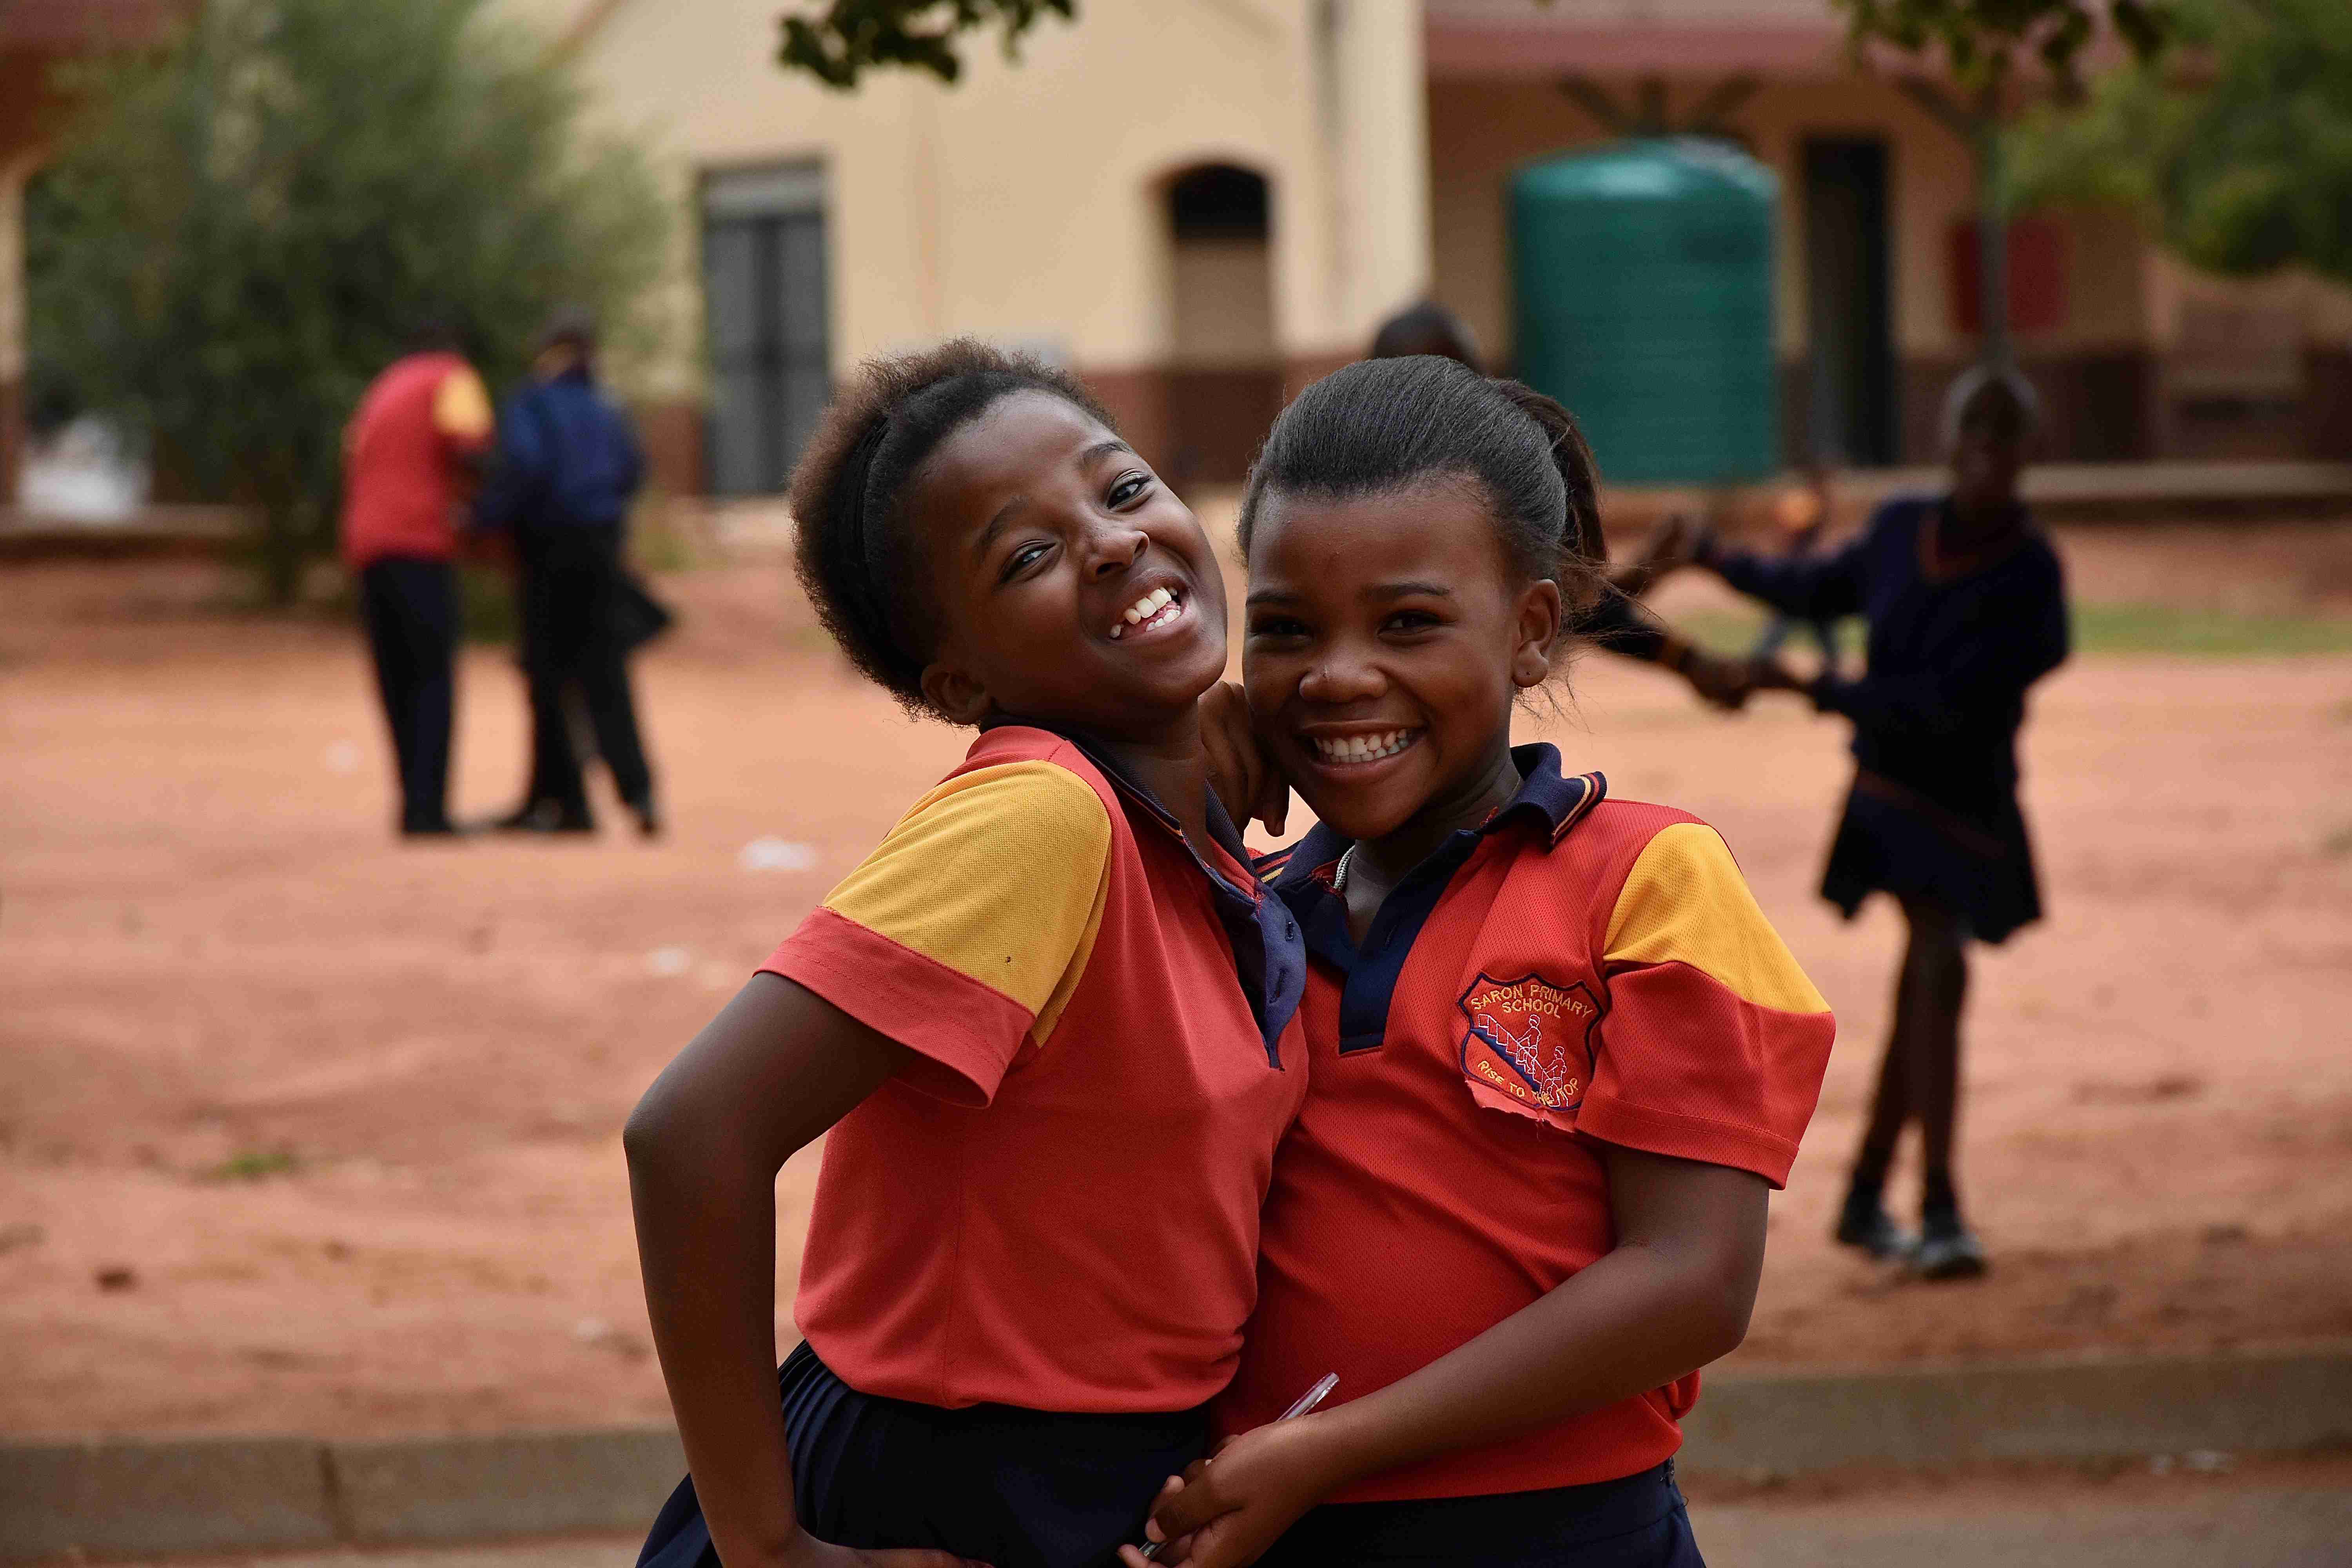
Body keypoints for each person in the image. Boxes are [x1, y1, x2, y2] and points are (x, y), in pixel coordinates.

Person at [1129, 356, 1835, 1568]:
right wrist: (1173, 801)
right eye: (1287, 629)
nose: (1337, 675)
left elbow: (1695, 1280)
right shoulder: (1245, 910)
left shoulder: (1644, 881)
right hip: (1274, 1532)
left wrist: (1333, 1449)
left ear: (1531, 633)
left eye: (1407, 623)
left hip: (1567, 1538)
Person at [624, 341, 1309, 1568]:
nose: (1112, 543)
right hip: (947, 1482)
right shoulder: (1039, 817)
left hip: (1097, 1476)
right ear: (956, 680)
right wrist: (768, 1550)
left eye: (1121, 488)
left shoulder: (1170, 820)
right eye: (1027, 557)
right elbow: (689, 1135)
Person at [1684, 367, 2068, 1279]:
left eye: (2004, 438)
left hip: (1968, 801)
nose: (1987, 453)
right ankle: (1937, 1205)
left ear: (2028, 453)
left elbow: (1948, 710)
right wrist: (1710, 556)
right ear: (1950, 440)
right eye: (1975, 433)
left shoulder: (2031, 571)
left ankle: (1868, 1194)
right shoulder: (1902, 528)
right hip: (1893, 798)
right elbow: (1812, 587)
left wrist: (1808, 686)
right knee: (1938, 965)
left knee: (1926, 985)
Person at [1361, 306, 1750, 710]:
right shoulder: (1380, 491)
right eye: (1452, 379)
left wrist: (1681, 652)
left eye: (1471, 376)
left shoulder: (1482, 468)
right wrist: (1646, 594)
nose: (1477, 393)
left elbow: (1561, 597)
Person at [476, 309, 659, 837]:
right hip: (601, 548)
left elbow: (526, 466)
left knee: (548, 676)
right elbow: (632, 469)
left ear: (548, 351)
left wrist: (484, 517)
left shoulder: (533, 401)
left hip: (549, 547)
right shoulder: (607, 405)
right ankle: (640, 795)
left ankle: (565, 804)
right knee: (608, 675)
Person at [338, 323, 496, 838]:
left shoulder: (384, 387)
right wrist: (487, 514)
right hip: (419, 543)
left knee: (396, 678)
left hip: (368, 545)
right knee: (431, 676)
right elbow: (472, 448)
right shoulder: (453, 378)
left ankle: (411, 803)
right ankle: (430, 811)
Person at [1748, 462, 1844, 680]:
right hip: (1800, 575)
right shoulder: (1805, 503)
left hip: (1807, 576)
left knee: (1814, 626)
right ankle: (1755, 666)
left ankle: (1756, 665)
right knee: (1785, 627)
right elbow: (1794, 529)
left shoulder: (1808, 503)